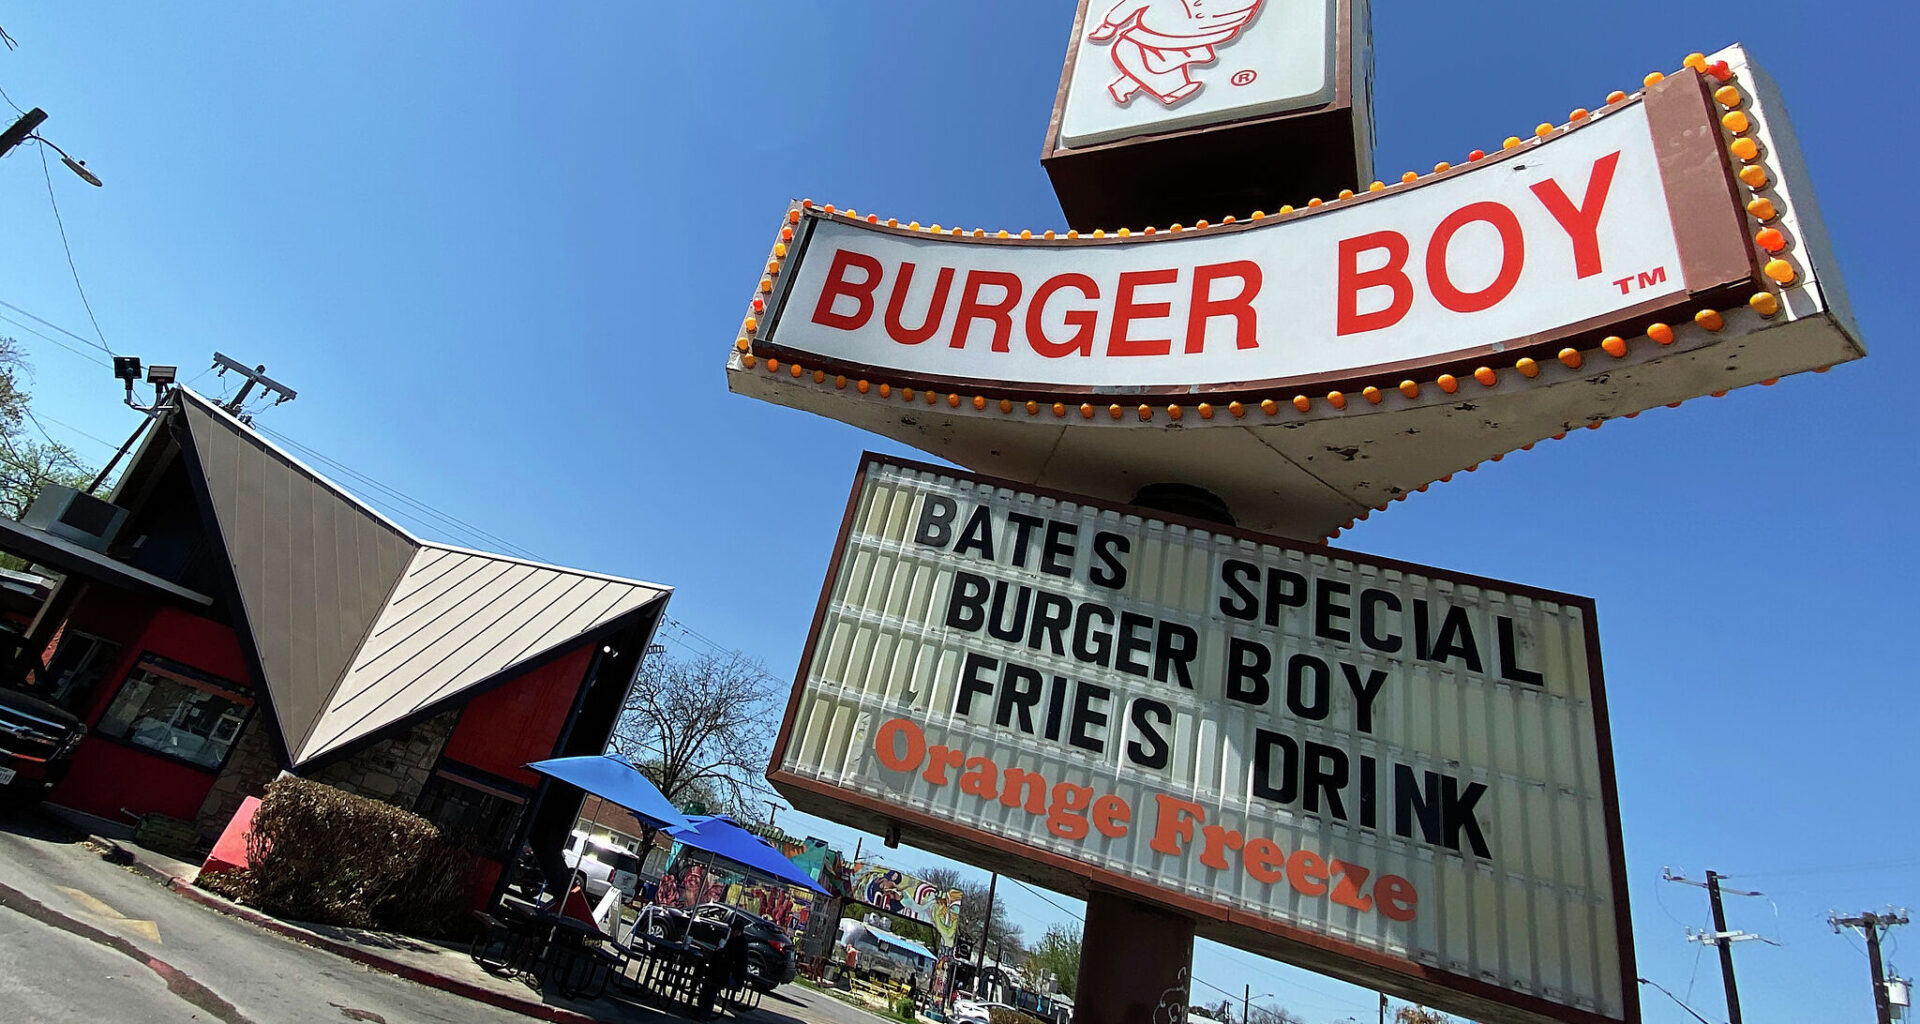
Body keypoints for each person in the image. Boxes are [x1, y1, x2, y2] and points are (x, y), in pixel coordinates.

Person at [697, 921, 749, 1019]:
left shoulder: (739, 944)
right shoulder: (735, 941)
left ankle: (705, 1013)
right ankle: (702, 1009)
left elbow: (731, 960)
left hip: (733, 977)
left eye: (733, 930)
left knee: (713, 984)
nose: (731, 931)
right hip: (727, 973)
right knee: (710, 980)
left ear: (738, 931)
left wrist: (720, 953)